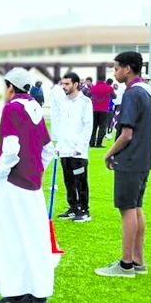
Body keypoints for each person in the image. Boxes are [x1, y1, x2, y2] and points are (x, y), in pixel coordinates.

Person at [0, 68, 57, 303]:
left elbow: (11, 148)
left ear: (10, 87)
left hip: (13, 182)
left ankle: (15, 295)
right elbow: (48, 149)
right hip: (33, 184)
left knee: (11, 237)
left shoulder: (12, 109)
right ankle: (38, 293)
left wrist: (0, 173)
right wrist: (37, 170)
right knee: (35, 237)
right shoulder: (35, 108)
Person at [96, 51, 151, 278]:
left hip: (130, 160)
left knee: (128, 210)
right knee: (137, 208)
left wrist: (108, 153)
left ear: (128, 69)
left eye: (117, 68)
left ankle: (126, 264)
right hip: (142, 161)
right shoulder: (146, 93)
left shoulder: (132, 94)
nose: (115, 73)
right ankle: (138, 262)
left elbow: (126, 134)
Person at [51, 72, 94, 222]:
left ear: (76, 84)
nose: (64, 87)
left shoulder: (85, 102)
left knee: (80, 180)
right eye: (63, 84)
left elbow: (88, 125)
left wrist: (81, 146)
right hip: (64, 150)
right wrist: (59, 144)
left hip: (78, 152)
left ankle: (84, 210)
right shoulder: (64, 102)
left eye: (67, 84)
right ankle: (73, 207)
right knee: (68, 180)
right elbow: (62, 124)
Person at [89, 77, 115, 147]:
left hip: (94, 109)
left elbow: (88, 94)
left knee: (93, 127)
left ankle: (91, 143)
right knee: (102, 127)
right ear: (104, 80)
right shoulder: (108, 88)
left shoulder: (93, 87)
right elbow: (114, 96)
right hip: (104, 109)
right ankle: (98, 143)